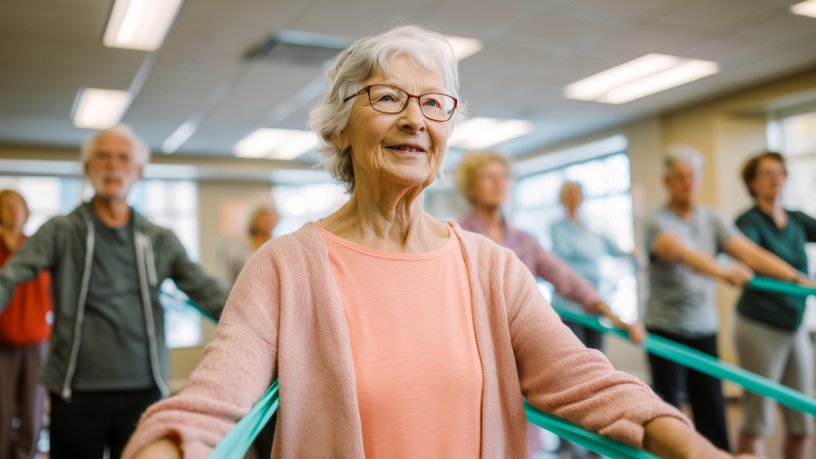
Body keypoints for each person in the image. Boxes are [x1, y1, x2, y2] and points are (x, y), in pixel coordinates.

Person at [124, 26, 756, 459]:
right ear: (341, 129)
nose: (415, 119)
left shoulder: (491, 269)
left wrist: (694, 446)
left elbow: (586, 382)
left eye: (433, 103)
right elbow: (213, 399)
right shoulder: (285, 268)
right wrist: (167, 441)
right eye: (389, 98)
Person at [0, 124, 229, 459]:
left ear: (138, 172)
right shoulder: (61, 232)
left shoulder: (158, 239)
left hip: (144, 389)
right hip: (75, 391)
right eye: (103, 157)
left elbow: (207, 292)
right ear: (87, 168)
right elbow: (10, 276)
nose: (112, 165)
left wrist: (266, 327)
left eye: (123, 158)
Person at [643, 144, 816, 453]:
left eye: (693, 176)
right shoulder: (656, 219)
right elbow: (681, 252)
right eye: (680, 177)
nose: (688, 183)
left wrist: (795, 277)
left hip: (705, 327)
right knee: (667, 413)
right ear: (667, 181)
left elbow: (750, 252)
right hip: (666, 330)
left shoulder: (711, 218)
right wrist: (723, 271)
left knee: (713, 411)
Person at [456, 152, 645, 345]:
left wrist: (617, 318)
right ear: (470, 187)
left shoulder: (526, 241)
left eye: (503, 176)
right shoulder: (457, 237)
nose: (499, 182)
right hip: (476, 340)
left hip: (518, 339)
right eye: (488, 176)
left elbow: (567, 277)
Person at [733, 152, 816, 459]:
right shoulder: (748, 221)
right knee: (758, 417)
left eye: (780, 172)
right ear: (752, 182)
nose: (776, 178)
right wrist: (797, 278)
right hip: (758, 325)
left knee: (801, 419)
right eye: (768, 173)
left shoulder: (795, 218)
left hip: (793, 325)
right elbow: (749, 254)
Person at [219, 199, 280, 459]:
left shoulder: (284, 248)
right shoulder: (238, 253)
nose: (269, 220)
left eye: (272, 215)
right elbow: (229, 293)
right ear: (254, 220)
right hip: (251, 332)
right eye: (264, 215)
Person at [551, 181, 638, 351]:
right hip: (569, 306)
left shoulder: (592, 230)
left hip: (595, 305)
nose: (575, 197)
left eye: (578, 192)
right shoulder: (558, 228)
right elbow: (561, 264)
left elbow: (616, 250)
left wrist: (635, 254)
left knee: (598, 357)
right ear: (563, 198)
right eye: (570, 193)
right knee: (578, 360)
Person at [0, 190, 52, 459]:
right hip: (2, 344)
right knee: (1, 411)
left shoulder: (38, 249)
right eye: (5, 206)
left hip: (37, 342)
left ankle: (25, 457)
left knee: (32, 412)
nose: (12, 211)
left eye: (16, 206)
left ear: (26, 211)